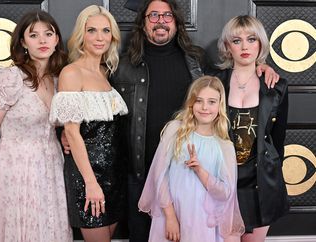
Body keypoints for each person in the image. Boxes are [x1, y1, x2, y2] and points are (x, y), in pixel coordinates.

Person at [109, 1, 280, 241]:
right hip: (142, 171)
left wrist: (261, 66)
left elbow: (224, 83)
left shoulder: (196, 60)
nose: (161, 21)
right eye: (154, 15)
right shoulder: (123, 66)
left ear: (177, 22)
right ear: (143, 22)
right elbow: (105, 109)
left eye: (167, 15)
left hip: (191, 175)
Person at [0, 11, 73, 242]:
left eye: (48, 34)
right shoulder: (9, 78)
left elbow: (57, 125)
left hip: (51, 167)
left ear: (57, 39)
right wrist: (4, 174)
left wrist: (64, 136)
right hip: (16, 170)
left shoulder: (60, 80)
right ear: (23, 42)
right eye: (34, 35)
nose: (42, 41)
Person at [49, 5, 128, 242]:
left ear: (112, 36)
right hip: (87, 176)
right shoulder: (72, 73)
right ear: (82, 35)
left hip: (114, 175)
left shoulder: (107, 73)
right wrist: (91, 183)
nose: (99, 37)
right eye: (92, 30)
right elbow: (72, 133)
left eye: (105, 30)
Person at [138, 75, 245, 242]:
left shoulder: (224, 146)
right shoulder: (175, 130)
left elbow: (225, 193)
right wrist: (170, 217)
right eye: (199, 101)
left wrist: (200, 171)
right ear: (191, 103)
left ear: (220, 105)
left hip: (202, 223)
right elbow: (159, 176)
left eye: (211, 102)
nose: (204, 107)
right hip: (171, 217)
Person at [215, 15, 289, 242]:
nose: (245, 46)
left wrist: (273, 173)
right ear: (228, 46)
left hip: (260, 183)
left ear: (261, 44)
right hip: (223, 181)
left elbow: (278, 139)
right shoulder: (214, 81)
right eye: (236, 41)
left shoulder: (277, 86)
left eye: (251, 39)